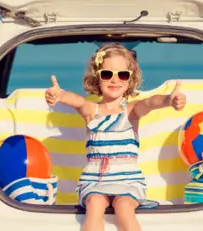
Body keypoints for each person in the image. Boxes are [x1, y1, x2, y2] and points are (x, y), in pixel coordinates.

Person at [44, 42, 186, 231]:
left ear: (130, 79)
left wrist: (169, 100)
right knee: (94, 204)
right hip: (95, 179)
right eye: (107, 74)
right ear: (97, 78)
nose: (114, 79)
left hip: (127, 179)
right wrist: (60, 95)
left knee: (124, 206)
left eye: (122, 74)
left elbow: (151, 102)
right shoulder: (91, 111)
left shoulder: (131, 111)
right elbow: (77, 101)